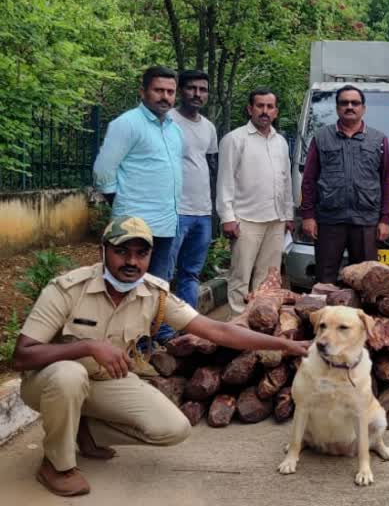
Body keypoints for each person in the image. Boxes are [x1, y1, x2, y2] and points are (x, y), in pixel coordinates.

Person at [11, 216, 310, 497]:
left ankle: (83, 429)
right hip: (50, 382)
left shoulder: (154, 294)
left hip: (102, 382)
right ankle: (57, 466)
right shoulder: (68, 289)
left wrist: (284, 345)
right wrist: (88, 347)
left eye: (141, 253)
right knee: (69, 376)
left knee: (173, 428)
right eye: (121, 251)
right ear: (103, 251)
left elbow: (217, 330)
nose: (131, 261)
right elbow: (22, 356)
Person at [93, 66, 183, 287]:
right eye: (158, 90)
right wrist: (121, 204)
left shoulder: (174, 129)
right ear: (142, 92)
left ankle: (150, 324)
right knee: (123, 287)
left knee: (155, 289)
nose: (165, 97)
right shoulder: (127, 124)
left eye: (170, 92)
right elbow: (103, 170)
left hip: (166, 225)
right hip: (132, 226)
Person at [300, 85, 389, 283]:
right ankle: (327, 314)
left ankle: (360, 315)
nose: (349, 107)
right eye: (344, 103)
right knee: (325, 278)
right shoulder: (321, 138)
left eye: (355, 103)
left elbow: (386, 180)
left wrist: (385, 218)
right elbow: (309, 179)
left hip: (366, 221)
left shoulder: (378, 140)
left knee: (365, 280)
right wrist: (308, 215)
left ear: (363, 108)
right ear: (337, 108)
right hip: (329, 220)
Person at [217, 89, 293, 315]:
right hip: (245, 218)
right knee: (241, 274)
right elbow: (225, 180)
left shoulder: (280, 142)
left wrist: (288, 215)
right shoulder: (234, 139)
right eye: (260, 106)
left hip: (276, 218)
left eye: (270, 107)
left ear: (276, 112)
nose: (265, 111)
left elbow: (286, 180)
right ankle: (237, 324)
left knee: (268, 275)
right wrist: (227, 217)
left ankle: (261, 321)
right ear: (250, 109)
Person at [167, 70, 218, 325]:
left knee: (191, 274)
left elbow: (209, 164)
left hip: (202, 213)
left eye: (203, 89)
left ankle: (185, 329)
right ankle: (157, 333)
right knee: (163, 275)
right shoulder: (167, 121)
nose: (197, 94)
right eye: (192, 88)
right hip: (174, 211)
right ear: (180, 90)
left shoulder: (208, 127)